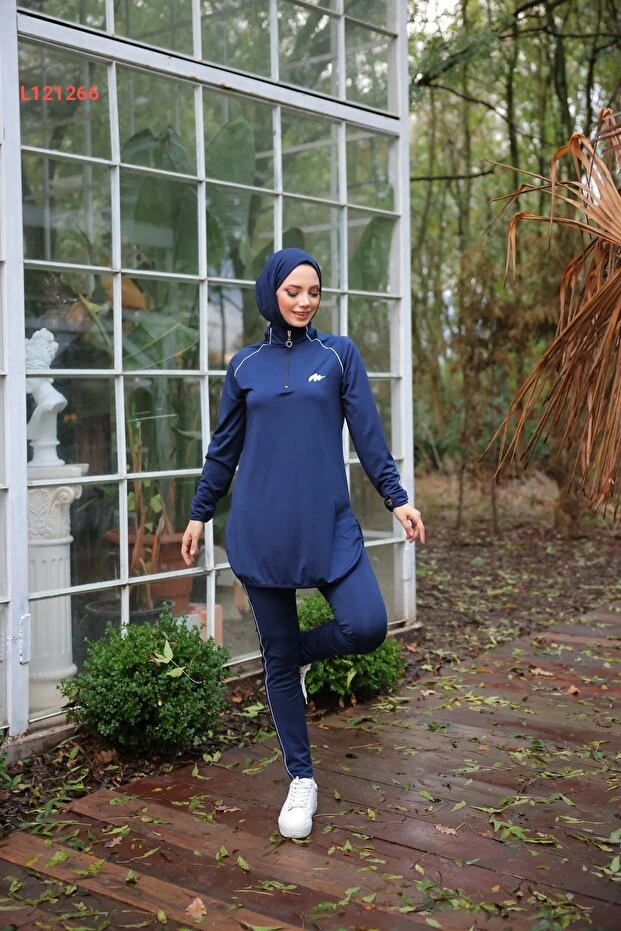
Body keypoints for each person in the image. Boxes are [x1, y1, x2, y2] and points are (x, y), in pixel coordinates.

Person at [181, 248, 425, 840]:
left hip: (327, 524)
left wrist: (396, 498)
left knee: (366, 626)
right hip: (261, 529)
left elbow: (368, 434)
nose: (304, 301)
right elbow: (224, 449)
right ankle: (301, 778)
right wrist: (199, 513)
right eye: (293, 291)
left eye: (313, 291)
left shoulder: (338, 355)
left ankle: (291, 656)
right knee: (278, 656)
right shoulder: (244, 365)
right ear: (272, 292)